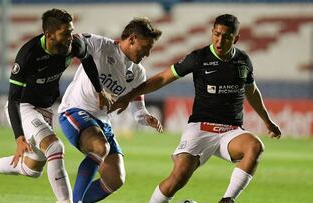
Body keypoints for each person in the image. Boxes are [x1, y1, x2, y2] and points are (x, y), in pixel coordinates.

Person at [109, 14, 282, 203]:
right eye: (217, 34)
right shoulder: (198, 58)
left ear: (236, 38)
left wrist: (267, 121)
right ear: (212, 33)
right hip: (201, 128)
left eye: (226, 36)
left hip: (230, 131)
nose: (220, 40)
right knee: (179, 177)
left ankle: (227, 200)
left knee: (255, 146)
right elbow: (161, 78)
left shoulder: (243, 61)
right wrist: (128, 96)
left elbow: (252, 92)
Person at [0, 8, 108, 203]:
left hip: (45, 108)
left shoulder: (74, 44)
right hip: (24, 106)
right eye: (65, 33)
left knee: (31, 168)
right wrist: (19, 137)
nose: (70, 37)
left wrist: (100, 91)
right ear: (49, 35)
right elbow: (13, 98)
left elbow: (88, 60)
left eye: (71, 30)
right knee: (55, 148)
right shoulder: (28, 54)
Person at [58, 17, 163, 203]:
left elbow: (138, 110)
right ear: (132, 39)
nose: (147, 54)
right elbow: (75, 40)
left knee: (115, 178)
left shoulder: (138, 72)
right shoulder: (100, 45)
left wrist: (145, 117)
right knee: (100, 147)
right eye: (145, 47)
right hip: (75, 111)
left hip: (101, 121)